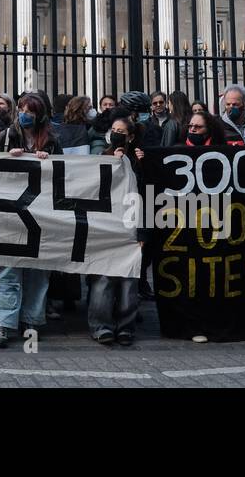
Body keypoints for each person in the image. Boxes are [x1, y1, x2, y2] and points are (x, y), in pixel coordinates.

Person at [0, 92, 59, 348]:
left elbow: (64, 175)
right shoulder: (6, 137)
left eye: (30, 111)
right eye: (21, 109)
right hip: (10, 214)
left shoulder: (50, 140)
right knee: (7, 270)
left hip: (40, 214)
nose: (24, 115)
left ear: (39, 115)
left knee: (38, 272)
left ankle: (32, 320)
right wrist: (7, 158)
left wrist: (49, 160)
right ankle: (3, 324)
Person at [89, 115, 145, 346]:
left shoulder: (140, 159)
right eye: (113, 129)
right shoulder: (102, 157)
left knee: (128, 280)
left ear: (130, 137)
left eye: (121, 131)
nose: (116, 133)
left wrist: (137, 163)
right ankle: (101, 326)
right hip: (106, 226)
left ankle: (125, 326)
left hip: (131, 224)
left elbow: (147, 193)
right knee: (103, 279)